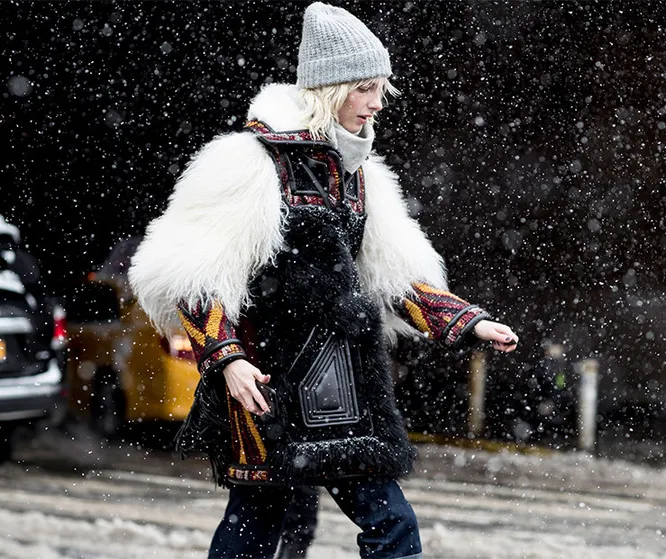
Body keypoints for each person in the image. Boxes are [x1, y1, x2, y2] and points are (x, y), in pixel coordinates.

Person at [129, 3, 518, 558]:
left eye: (382, 88)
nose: (378, 103)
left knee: (371, 523)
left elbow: (393, 279)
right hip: (264, 382)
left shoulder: (360, 174)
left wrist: (468, 322)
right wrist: (228, 360)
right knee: (265, 519)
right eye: (365, 88)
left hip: (342, 387)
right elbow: (192, 277)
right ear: (329, 89)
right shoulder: (250, 164)